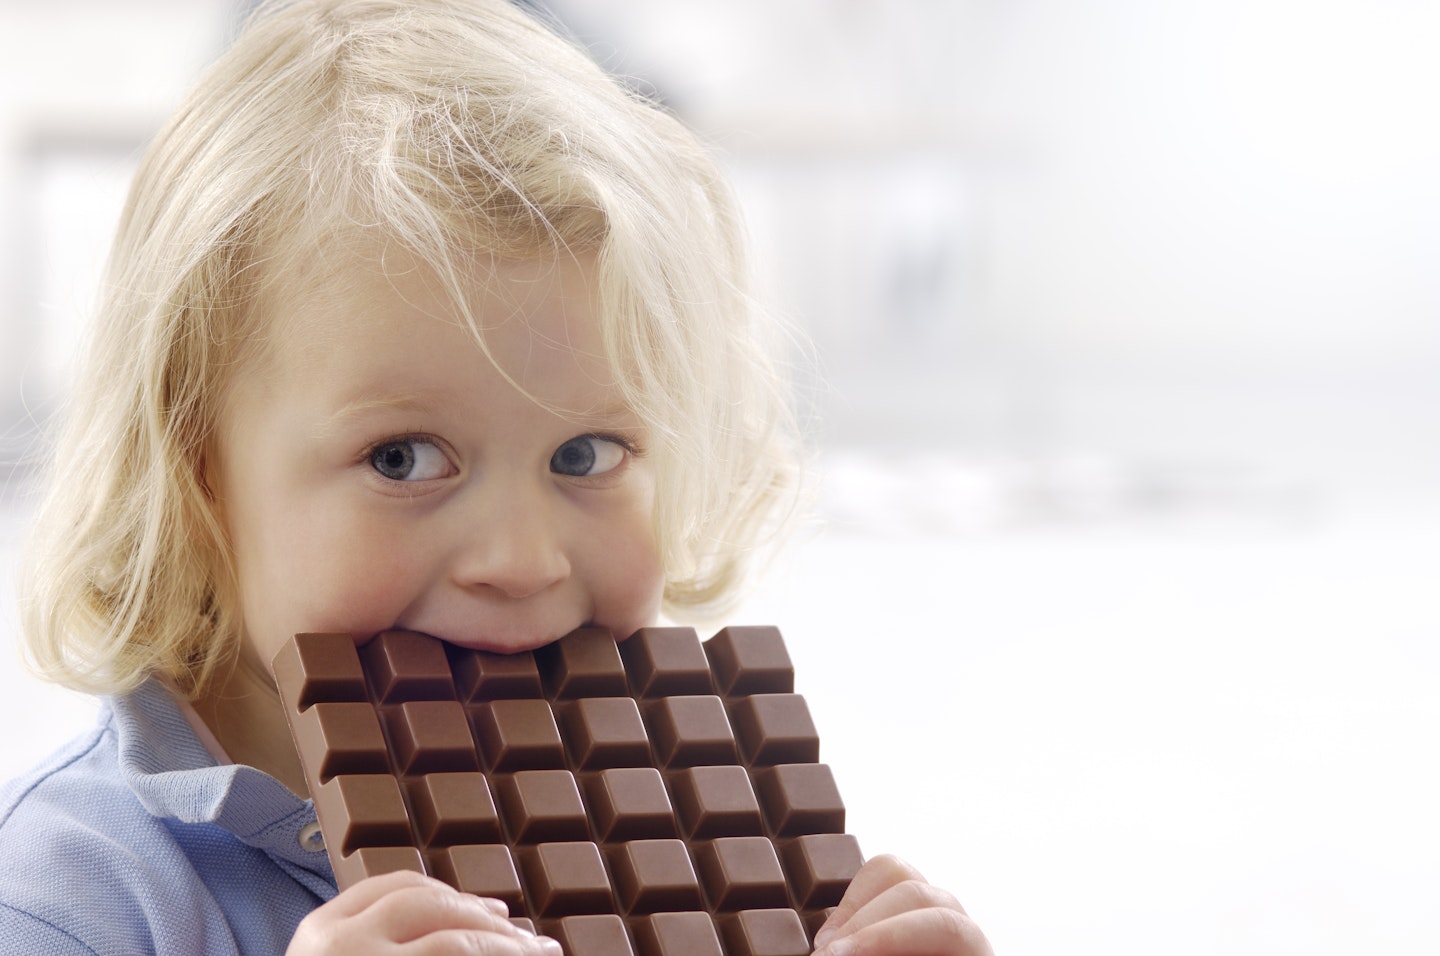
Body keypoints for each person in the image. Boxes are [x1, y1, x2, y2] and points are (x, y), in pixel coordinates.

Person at [0, 1, 993, 953]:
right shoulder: (68, 897)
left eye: (587, 455)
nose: (521, 560)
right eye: (404, 458)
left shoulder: (694, 843)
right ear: (196, 474)